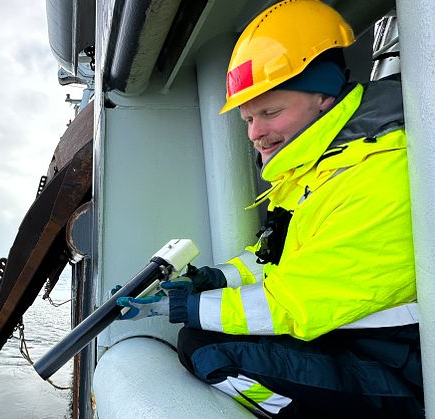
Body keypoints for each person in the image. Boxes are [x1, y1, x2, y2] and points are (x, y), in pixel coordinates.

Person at [117, 0, 423, 417]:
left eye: (270, 112)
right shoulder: (316, 169)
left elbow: (298, 301)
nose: (256, 133)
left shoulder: (378, 173)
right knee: (200, 340)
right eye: (246, 120)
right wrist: (209, 280)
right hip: (353, 339)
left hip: (400, 366)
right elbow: (275, 259)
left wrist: (184, 307)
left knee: (211, 354)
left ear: (323, 96)